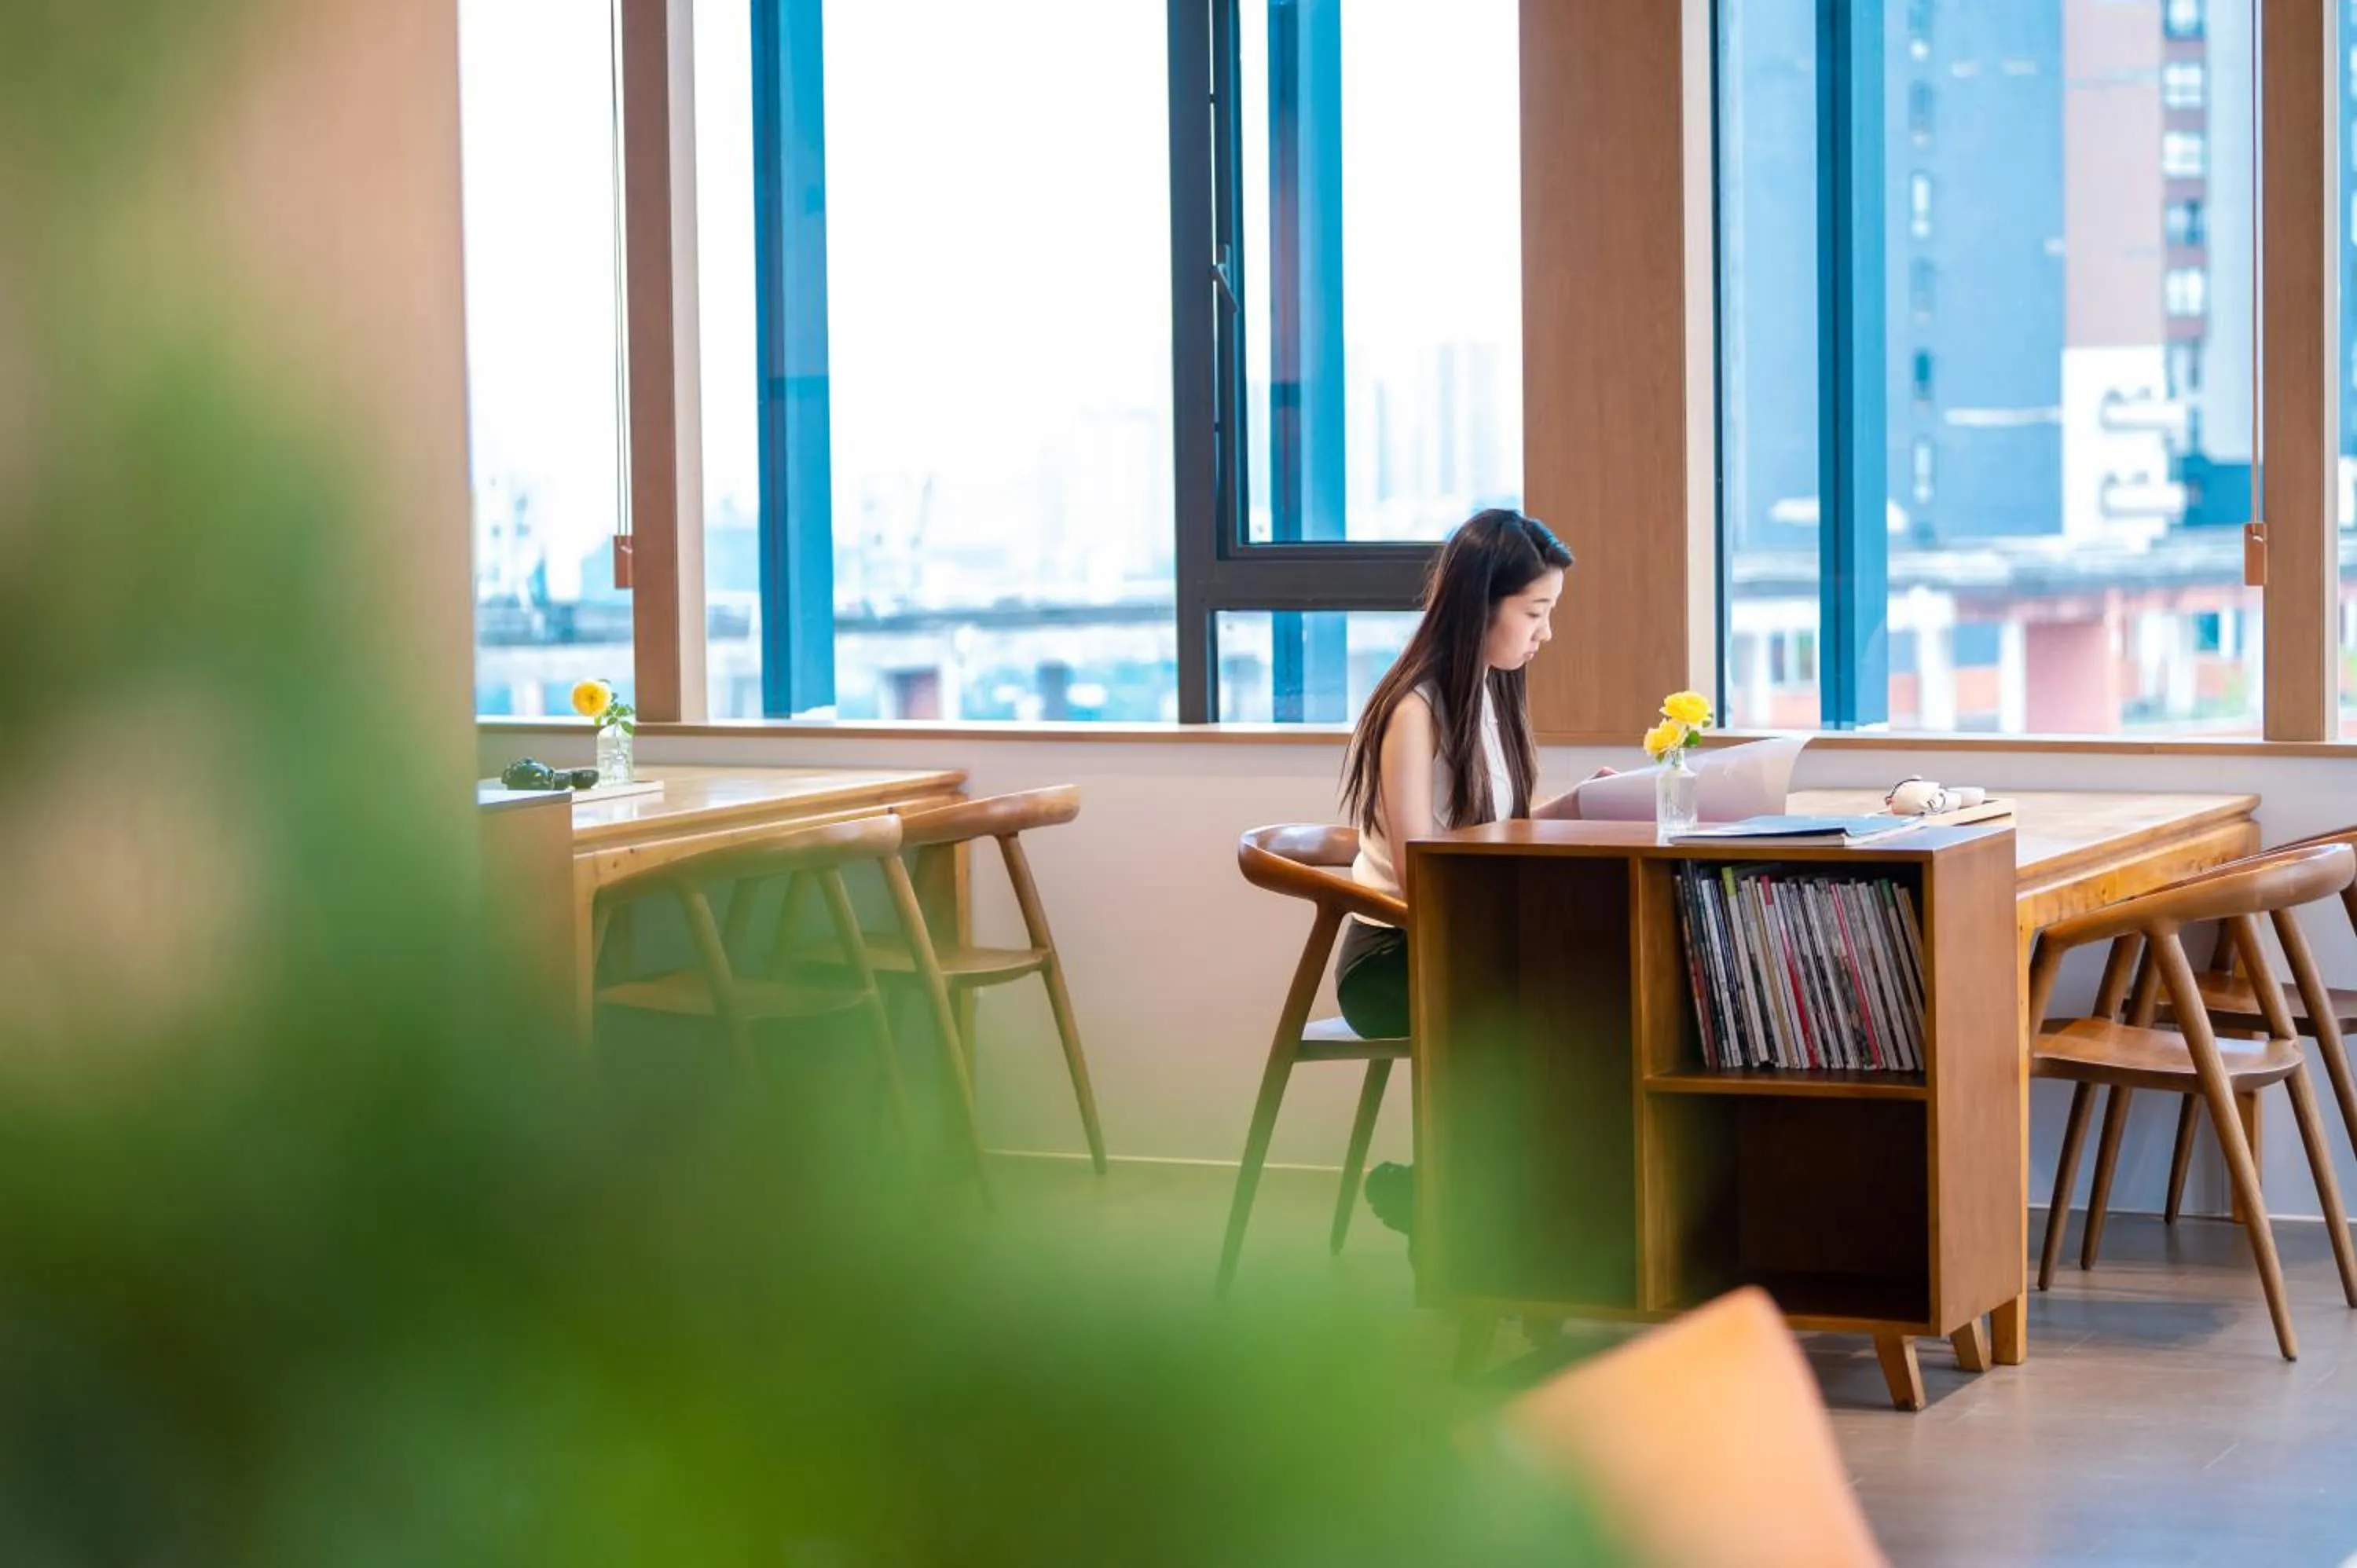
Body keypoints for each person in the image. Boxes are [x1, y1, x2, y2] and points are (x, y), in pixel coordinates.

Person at [1333, 508, 1608, 1242]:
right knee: (1569, 1011)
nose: (1545, 633)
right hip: (1398, 959)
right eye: (1535, 612)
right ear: (1479, 606)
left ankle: (1484, 1202)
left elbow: (1481, 829)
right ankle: (1467, 1207)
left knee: (1601, 995)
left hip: (1459, 947)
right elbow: (1425, 867)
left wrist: (1578, 805)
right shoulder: (1414, 708)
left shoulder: (1489, 688)